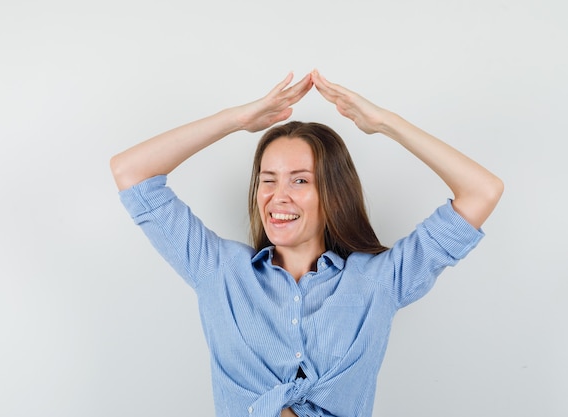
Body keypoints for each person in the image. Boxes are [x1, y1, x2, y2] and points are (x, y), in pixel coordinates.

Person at [110, 70, 503, 417]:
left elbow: (482, 191)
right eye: (268, 179)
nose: (279, 195)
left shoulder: (380, 281)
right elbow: (131, 172)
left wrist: (386, 123)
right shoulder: (219, 271)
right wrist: (237, 120)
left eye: (300, 180)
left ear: (332, 192)